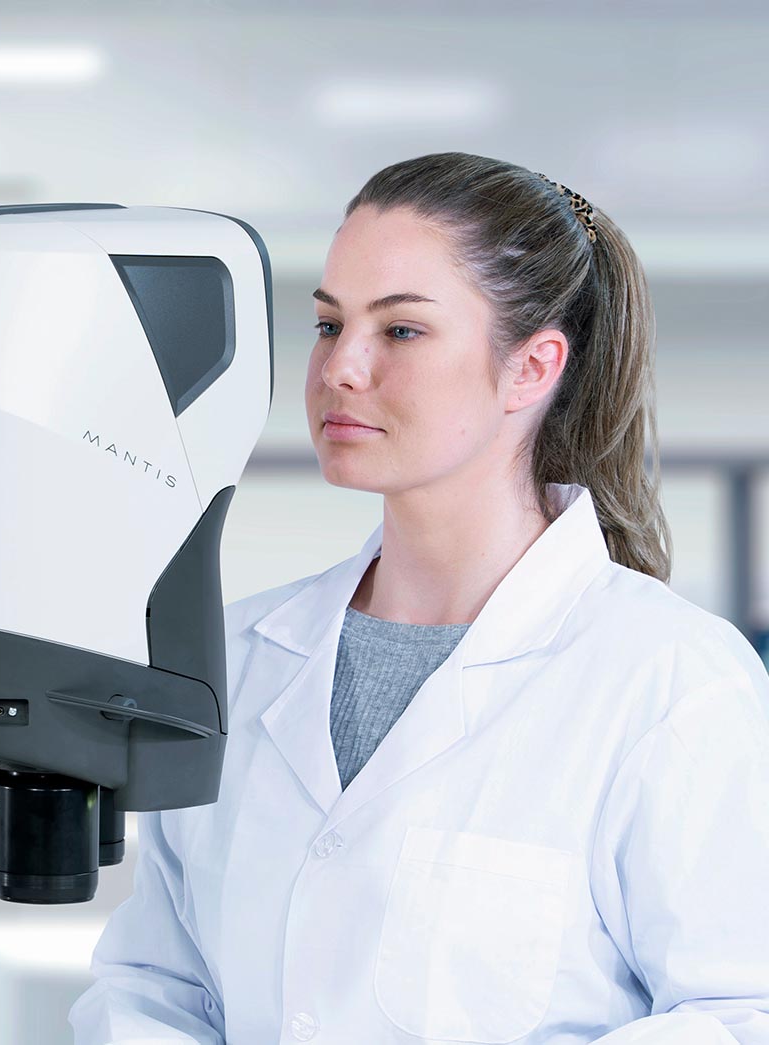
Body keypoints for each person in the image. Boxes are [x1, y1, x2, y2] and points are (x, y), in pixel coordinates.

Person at [67, 151, 769, 1044]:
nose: (341, 370)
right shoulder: (237, 656)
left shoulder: (668, 680)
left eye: (400, 331)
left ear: (531, 368)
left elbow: (741, 1011)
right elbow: (152, 984)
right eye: (328, 326)